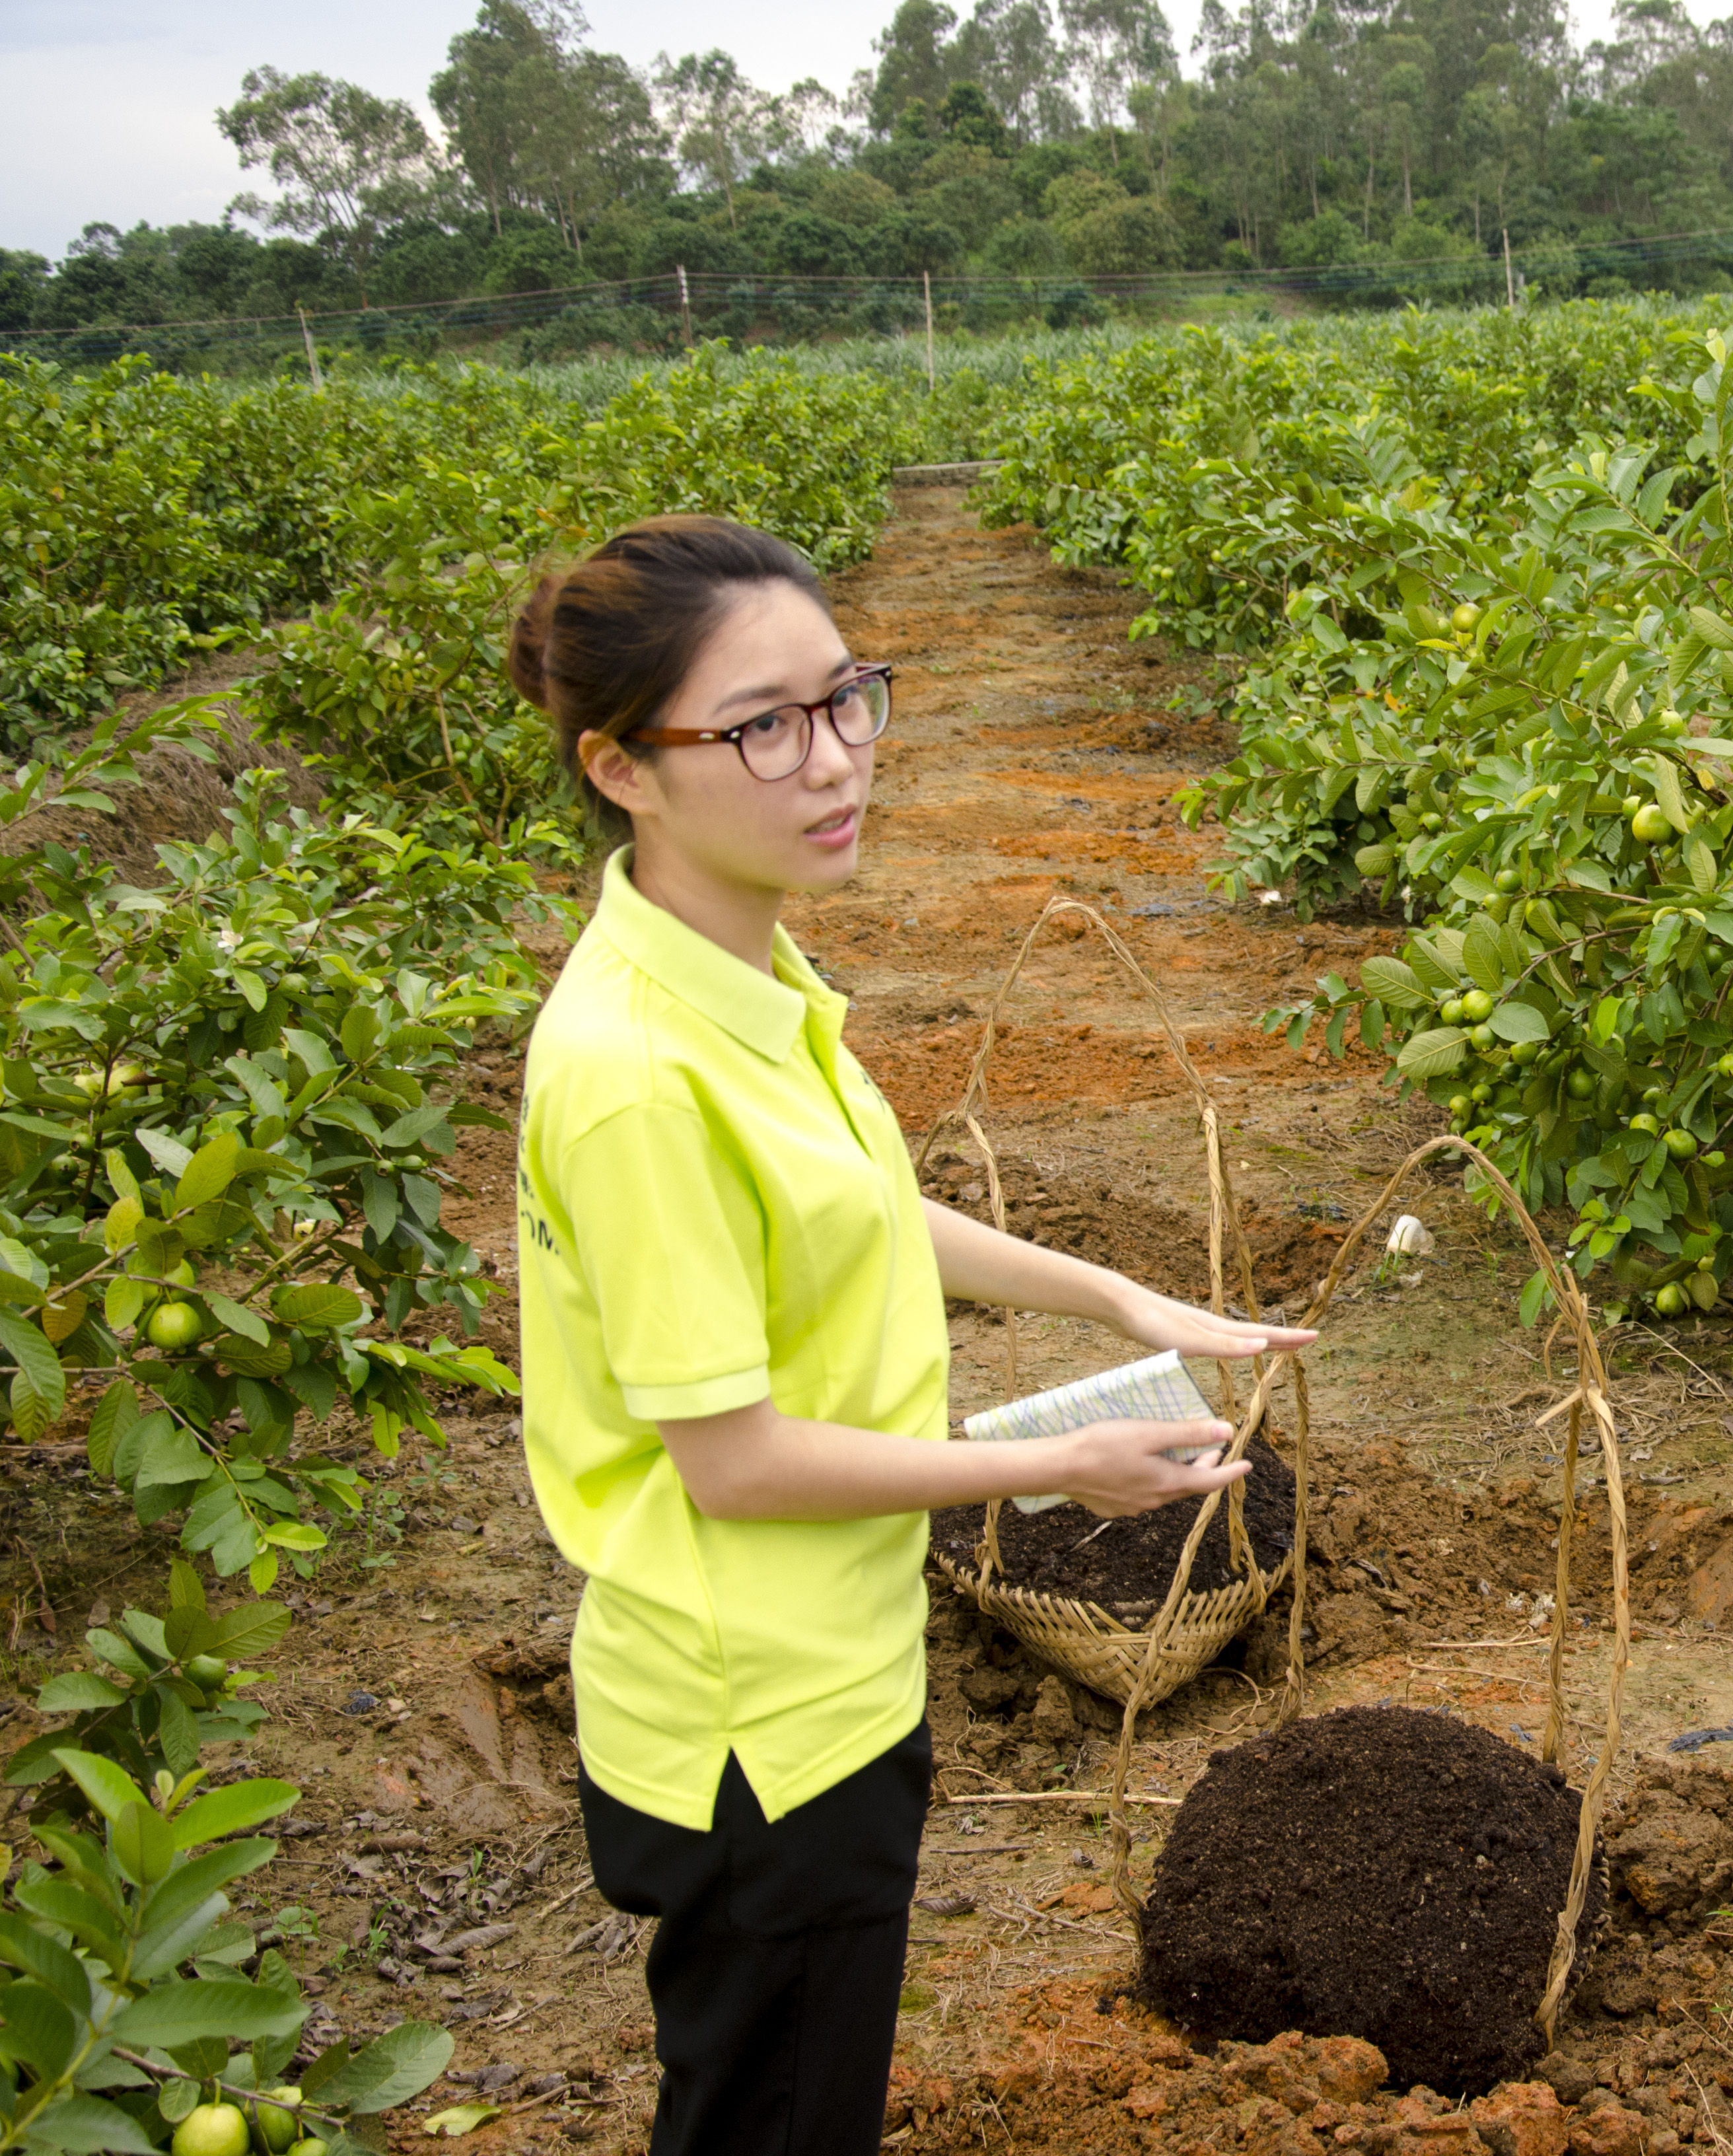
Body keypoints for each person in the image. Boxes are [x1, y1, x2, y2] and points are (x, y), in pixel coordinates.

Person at [505, 513, 1314, 2155]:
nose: (830, 763)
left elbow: (859, 1210)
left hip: (831, 1672)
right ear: (620, 768)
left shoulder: (744, 972)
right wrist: (1047, 1466)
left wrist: (1110, 1294)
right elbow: (731, 1467)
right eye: (758, 727)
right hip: (761, 1731)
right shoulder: (638, 1080)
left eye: (846, 699)